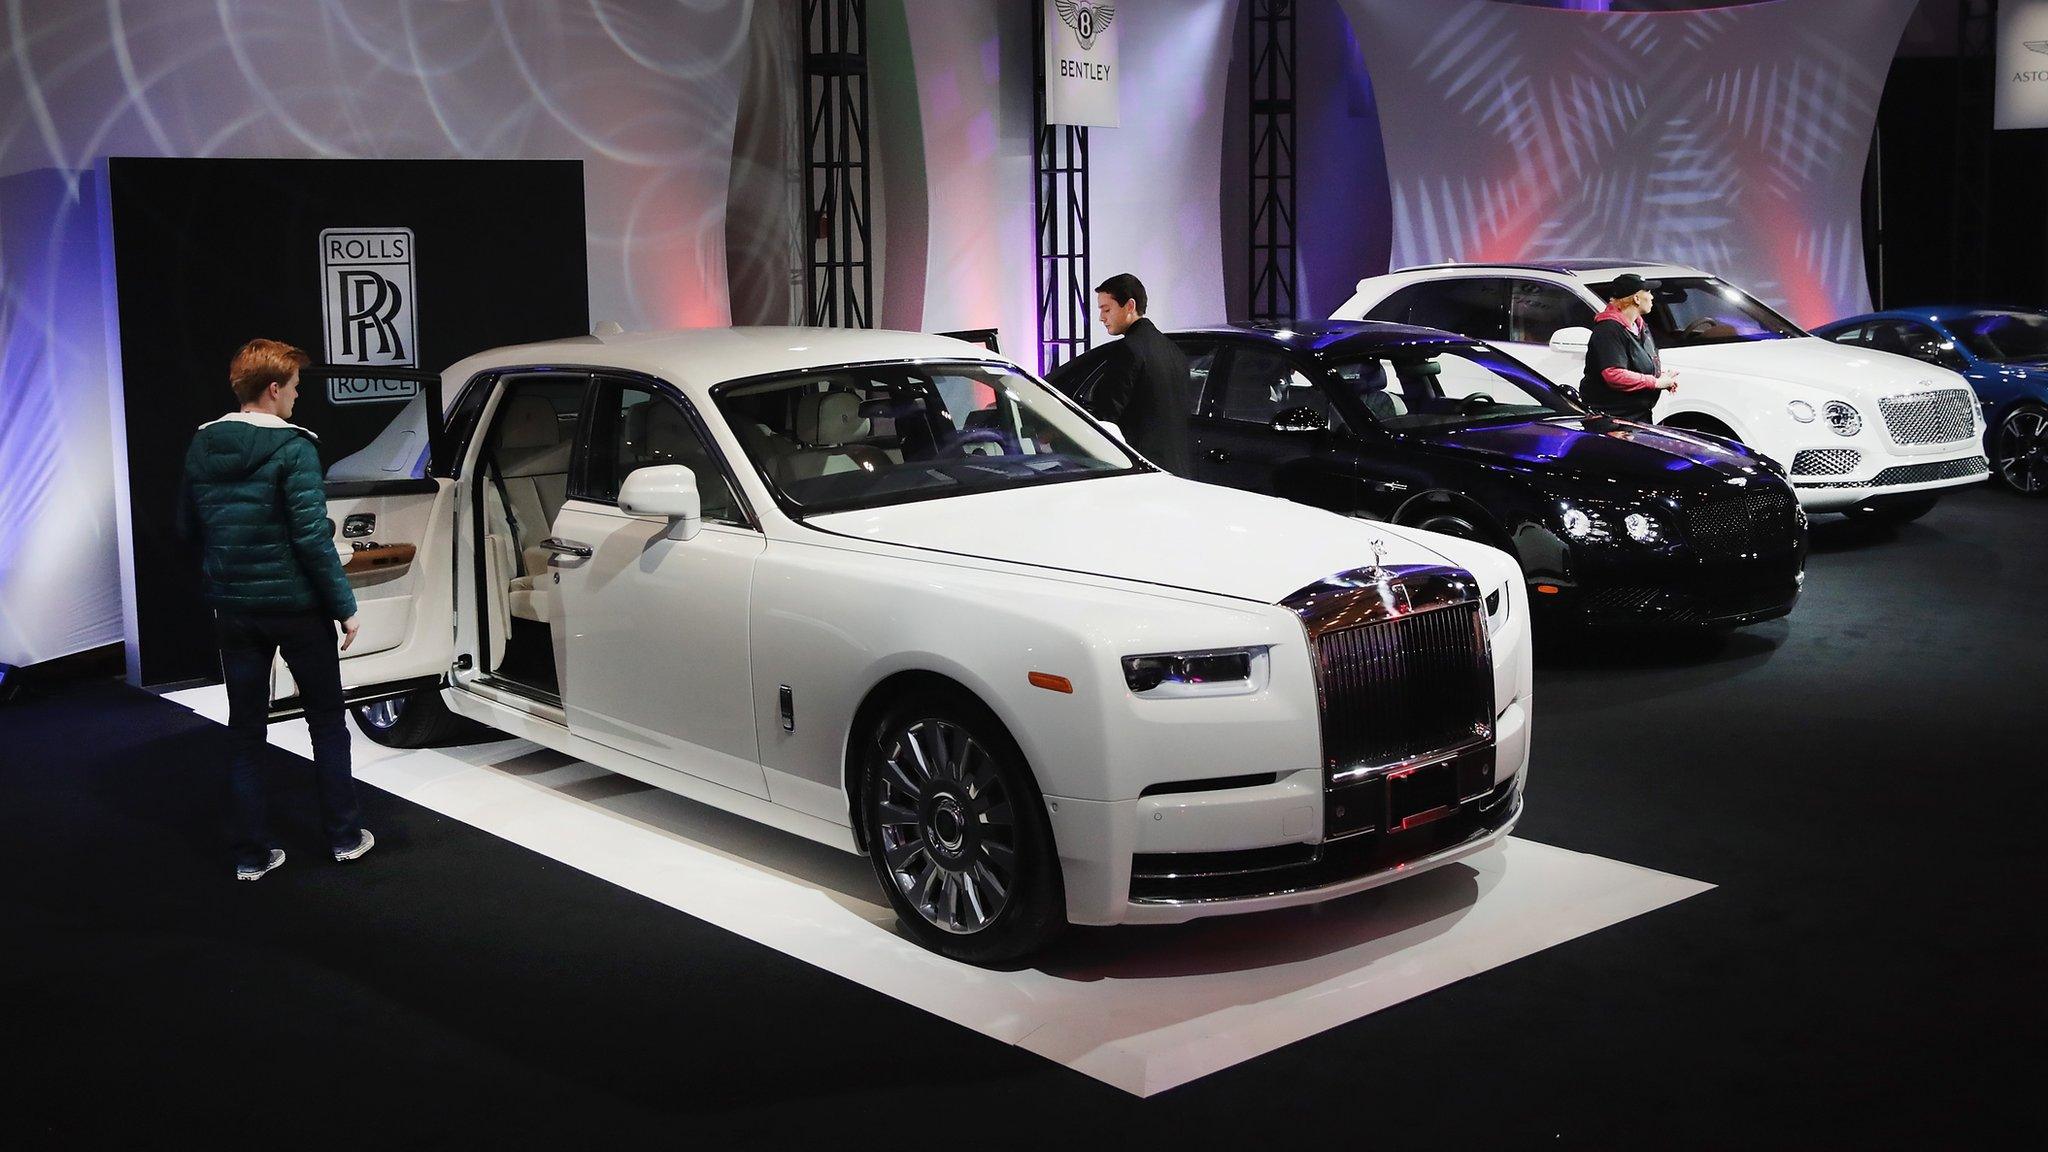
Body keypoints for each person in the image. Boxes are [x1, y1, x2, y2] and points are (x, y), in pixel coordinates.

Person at [178, 339, 372, 881]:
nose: (296, 398)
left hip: (234, 609)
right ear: (273, 388)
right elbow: (312, 537)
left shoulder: (202, 444)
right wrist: (345, 605)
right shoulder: (296, 448)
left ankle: (251, 856)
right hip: (296, 608)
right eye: (294, 388)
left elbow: (187, 527)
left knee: (245, 731)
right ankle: (343, 837)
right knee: (328, 724)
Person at [1087, 273, 1194, 475]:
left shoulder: (1129, 349)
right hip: (1178, 470)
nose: (1101, 317)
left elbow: (1107, 415)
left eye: (1106, 309)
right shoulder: (1174, 351)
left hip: (1141, 469)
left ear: (1129, 306)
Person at [1580, 273, 1678, 420]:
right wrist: (1656, 383)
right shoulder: (1608, 329)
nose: (1652, 297)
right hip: (1613, 419)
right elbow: (1614, 374)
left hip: (1639, 415)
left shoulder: (1640, 326)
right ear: (1636, 298)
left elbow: (1637, 363)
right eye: (1648, 292)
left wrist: (1661, 375)